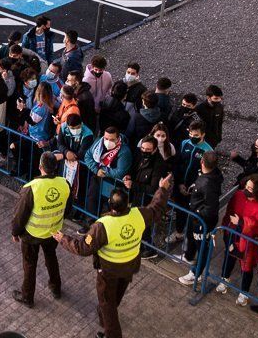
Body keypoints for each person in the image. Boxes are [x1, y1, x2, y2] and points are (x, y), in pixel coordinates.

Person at [54, 173, 172, 338]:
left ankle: (111, 333)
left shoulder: (103, 225)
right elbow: (156, 207)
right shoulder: (139, 214)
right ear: (128, 204)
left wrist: (63, 238)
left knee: (108, 304)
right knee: (114, 298)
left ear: (110, 205)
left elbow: (83, 248)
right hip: (129, 267)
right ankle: (104, 317)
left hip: (108, 271)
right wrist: (162, 189)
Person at [10, 152, 71, 308]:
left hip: (32, 234)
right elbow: (68, 209)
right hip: (54, 232)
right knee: (51, 258)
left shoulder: (32, 188)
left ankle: (27, 297)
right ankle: (56, 288)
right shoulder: (65, 183)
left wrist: (15, 232)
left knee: (30, 264)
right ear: (56, 167)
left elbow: (20, 215)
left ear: (40, 167)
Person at [215, 174, 258, 306]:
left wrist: (240, 222)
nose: (245, 189)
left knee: (246, 267)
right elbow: (229, 210)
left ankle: (244, 292)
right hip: (232, 233)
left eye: (250, 188)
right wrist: (225, 226)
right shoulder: (238, 195)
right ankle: (224, 279)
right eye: (246, 186)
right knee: (229, 258)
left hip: (247, 242)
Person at [176, 151, 223, 285]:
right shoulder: (209, 176)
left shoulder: (208, 183)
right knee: (192, 239)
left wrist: (198, 214)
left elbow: (211, 207)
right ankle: (189, 257)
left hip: (202, 221)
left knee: (203, 247)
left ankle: (196, 274)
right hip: (197, 217)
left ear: (202, 162)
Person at [167, 119, 214, 244]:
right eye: (191, 134)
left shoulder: (208, 151)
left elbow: (206, 174)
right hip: (180, 183)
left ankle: (187, 236)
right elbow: (179, 163)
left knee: (191, 212)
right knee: (180, 208)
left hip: (194, 188)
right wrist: (180, 183)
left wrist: (192, 188)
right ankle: (179, 232)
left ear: (203, 134)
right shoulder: (185, 143)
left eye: (196, 135)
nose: (192, 137)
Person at [123, 136, 169, 259]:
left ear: (154, 150)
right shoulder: (139, 154)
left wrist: (134, 185)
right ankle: (137, 245)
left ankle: (149, 248)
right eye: (143, 148)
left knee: (144, 225)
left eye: (148, 149)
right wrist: (128, 176)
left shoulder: (159, 164)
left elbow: (153, 187)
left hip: (146, 199)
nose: (144, 151)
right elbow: (133, 169)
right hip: (136, 196)